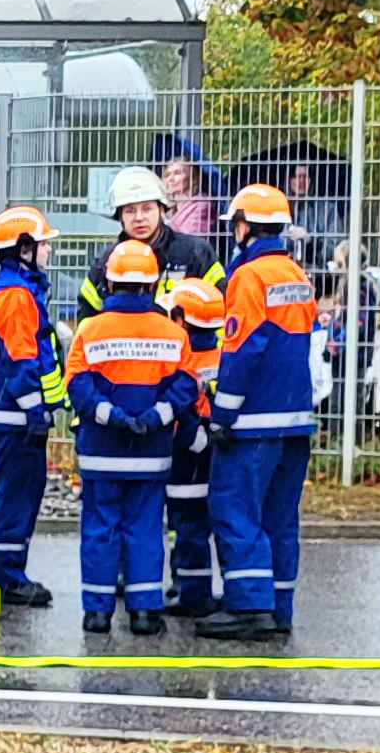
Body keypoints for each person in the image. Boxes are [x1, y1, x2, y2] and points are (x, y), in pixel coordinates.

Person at [197, 185, 319, 639]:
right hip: (295, 417)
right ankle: (279, 606)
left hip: (253, 422)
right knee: (281, 516)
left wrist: (222, 414)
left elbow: (243, 349)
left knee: (234, 508)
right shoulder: (297, 275)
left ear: (242, 226)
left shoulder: (248, 278)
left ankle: (249, 606)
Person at [66, 239, 195, 635]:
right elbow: (187, 385)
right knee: (144, 529)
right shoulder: (172, 333)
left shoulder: (90, 330)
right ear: (152, 286)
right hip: (151, 453)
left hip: (101, 452)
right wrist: (156, 417)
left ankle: (97, 613)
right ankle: (143, 612)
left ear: (109, 285)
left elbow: (77, 385)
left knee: (100, 528)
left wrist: (113, 417)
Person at [0, 205, 63, 608]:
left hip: (8, 413)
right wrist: (37, 412)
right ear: (24, 248)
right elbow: (21, 361)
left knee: (12, 492)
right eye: (43, 245)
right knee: (14, 495)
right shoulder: (17, 296)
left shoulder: (12, 289)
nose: (48, 252)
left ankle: (4, 574)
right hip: (14, 413)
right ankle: (4, 579)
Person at [162, 273, 227, 617]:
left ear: (180, 319)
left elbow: (180, 407)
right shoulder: (222, 357)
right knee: (201, 524)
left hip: (186, 456)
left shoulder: (180, 358)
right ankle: (196, 587)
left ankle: (190, 592)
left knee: (184, 525)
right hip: (217, 452)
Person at [79, 164, 220, 316]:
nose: (139, 218)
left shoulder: (195, 254)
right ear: (120, 216)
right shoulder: (107, 262)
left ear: (161, 210)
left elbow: (219, 307)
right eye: (130, 210)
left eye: (147, 208)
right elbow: (87, 319)